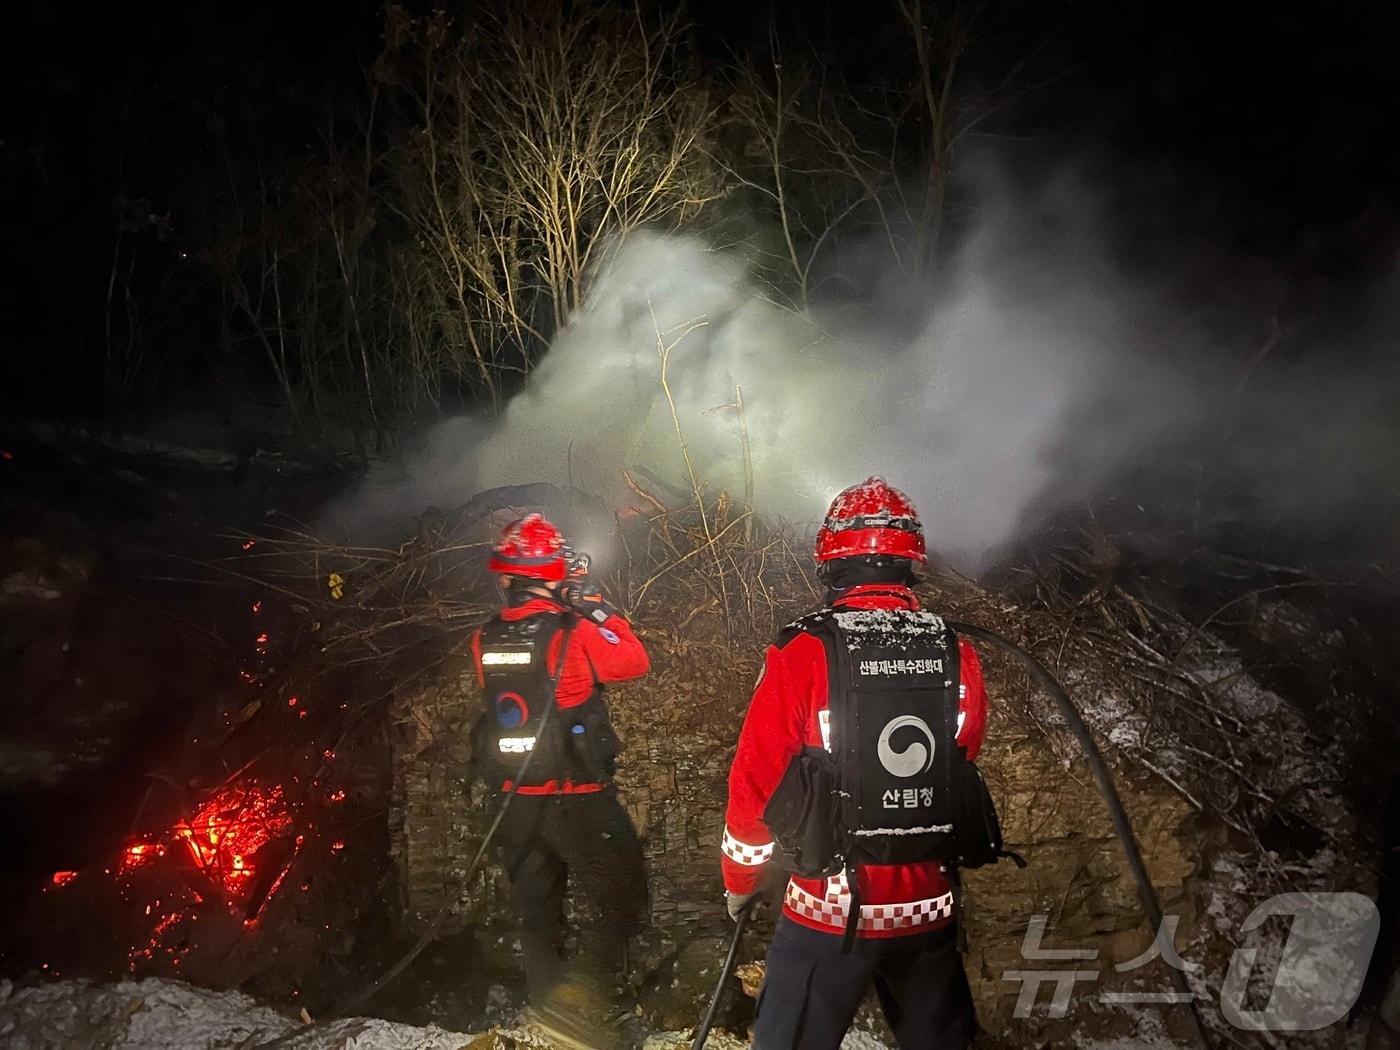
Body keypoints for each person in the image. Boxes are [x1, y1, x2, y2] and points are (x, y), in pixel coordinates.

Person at [720, 477, 990, 1050]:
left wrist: (741, 879)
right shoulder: (954, 649)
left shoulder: (805, 651)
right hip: (928, 907)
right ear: (911, 558)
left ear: (830, 559)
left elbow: (756, 781)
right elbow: (962, 758)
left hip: (830, 910)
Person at [471, 512, 650, 1037]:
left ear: (505, 577)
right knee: (621, 896)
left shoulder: (482, 639)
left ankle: (547, 1010)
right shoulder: (574, 634)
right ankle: (588, 1008)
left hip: (514, 802)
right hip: (579, 796)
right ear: (553, 572)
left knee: (537, 914)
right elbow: (634, 661)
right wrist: (597, 608)